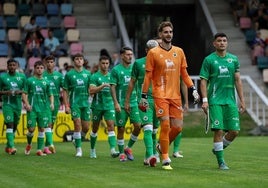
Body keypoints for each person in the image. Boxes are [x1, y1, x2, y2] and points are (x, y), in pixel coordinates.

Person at [140, 21, 200, 170]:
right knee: (165, 125)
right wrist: (143, 95)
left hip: (175, 96)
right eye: (165, 32)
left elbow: (184, 74)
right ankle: (165, 157)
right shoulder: (153, 53)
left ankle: (161, 146)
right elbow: (148, 77)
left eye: (170, 32)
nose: (168, 34)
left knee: (178, 128)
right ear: (160, 34)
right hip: (160, 94)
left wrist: (193, 89)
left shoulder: (179, 51)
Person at [200, 32, 246, 170]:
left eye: (224, 40)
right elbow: (203, 81)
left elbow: (238, 80)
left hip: (230, 101)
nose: (222, 43)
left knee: (234, 131)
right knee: (219, 131)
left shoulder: (233, 59)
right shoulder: (209, 60)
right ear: (214, 43)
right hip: (215, 101)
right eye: (219, 40)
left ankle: (218, 149)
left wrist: (242, 101)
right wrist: (205, 100)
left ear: (227, 43)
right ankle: (221, 162)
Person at [124, 39, 160, 167]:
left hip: (159, 99)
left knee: (155, 129)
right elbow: (132, 82)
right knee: (148, 128)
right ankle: (151, 156)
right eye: (152, 50)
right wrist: (127, 101)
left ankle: (147, 157)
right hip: (144, 100)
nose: (155, 52)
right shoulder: (138, 64)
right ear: (146, 51)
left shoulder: (162, 63)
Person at [110, 46, 141, 162]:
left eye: (131, 54)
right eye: (127, 54)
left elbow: (138, 85)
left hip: (134, 103)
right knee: (121, 128)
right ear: (122, 56)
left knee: (138, 126)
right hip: (121, 104)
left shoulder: (135, 68)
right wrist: (116, 103)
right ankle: (122, 153)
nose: (130, 56)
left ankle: (128, 148)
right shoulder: (116, 70)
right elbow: (112, 87)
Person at [89, 55, 119, 158]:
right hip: (97, 106)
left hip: (109, 105)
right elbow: (91, 91)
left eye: (107, 63)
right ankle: (92, 149)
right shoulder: (94, 76)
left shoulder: (111, 76)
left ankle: (112, 150)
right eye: (103, 63)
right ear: (99, 64)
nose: (105, 65)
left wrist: (116, 103)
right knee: (95, 129)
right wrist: (102, 86)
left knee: (111, 125)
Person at [62, 53, 91, 157]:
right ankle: (79, 150)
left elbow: (90, 88)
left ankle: (77, 139)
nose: (79, 60)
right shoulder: (69, 74)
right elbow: (65, 91)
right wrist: (67, 105)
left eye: (81, 59)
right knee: (77, 124)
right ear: (74, 61)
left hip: (86, 104)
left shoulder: (88, 74)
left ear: (83, 61)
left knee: (86, 128)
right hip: (75, 104)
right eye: (77, 59)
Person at [24, 60, 54, 156]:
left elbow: (50, 94)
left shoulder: (46, 82)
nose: (39, 70)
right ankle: (29, 143)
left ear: (43, 69)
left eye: (41, 68)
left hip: (43, 109)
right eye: (37, 68)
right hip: (32, 109)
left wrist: (52, 103)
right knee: (31, 129)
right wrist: (27, 104)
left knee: (42, 129)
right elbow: (24, 93)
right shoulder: (29, 80)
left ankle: (39, 150)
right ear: (34, 69)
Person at [0, 59, 27, 155]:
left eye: (13, 65)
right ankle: (11, 147)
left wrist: (23, 96)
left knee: (15, 126)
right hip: (7, 105)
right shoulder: (3, 78)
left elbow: (25, 90)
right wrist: (6, 92)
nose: (12, 67)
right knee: (10, 124)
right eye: (10, 65)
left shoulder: (22, 77)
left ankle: (8, 146)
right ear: (7, 67)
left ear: (16, 66)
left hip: (18, 105)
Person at [43, 55, 64, 154]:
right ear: (45, 63)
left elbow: (64, 89)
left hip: (56, 103)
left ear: (54, 63)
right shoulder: (42, 75)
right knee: (48, 123)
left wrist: (65, 102)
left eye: (51, 62)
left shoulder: (59, 76)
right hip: (44, 102)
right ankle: (50, 145)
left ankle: (46, 147)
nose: (50, 64)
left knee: (51, 125)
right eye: (48, 62)